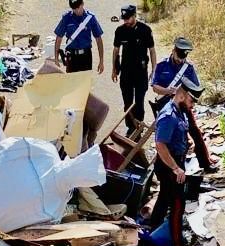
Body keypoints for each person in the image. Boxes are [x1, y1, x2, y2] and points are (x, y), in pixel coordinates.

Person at [147, 77, 202, 246]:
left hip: (176, 161)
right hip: (169, 166)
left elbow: (179, 133)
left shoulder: (180, 111)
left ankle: (152, 234)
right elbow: (160, 145)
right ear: (182, 96)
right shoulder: (168, 116)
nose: (192, 105)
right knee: (178, 205)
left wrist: (187, 143)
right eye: (191, 100)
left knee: (164, 198)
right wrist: (176, 168)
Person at [150, 36, 215, 170]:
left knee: (194, 131)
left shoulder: (188, 68)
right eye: (179, 57)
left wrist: (183, 94)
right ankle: (168, 166)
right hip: (165, 103)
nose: (180, 60)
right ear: (173, 51)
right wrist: (168, 91)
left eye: (183, 58)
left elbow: (195, 87)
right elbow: (155, 87)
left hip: (182, 104)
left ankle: (205, 162)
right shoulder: (161, 65)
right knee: (167, 136)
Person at [111, 5, 155, 133]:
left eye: (128, 18)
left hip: (141, 72)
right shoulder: (120, 31)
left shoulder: (145, 30)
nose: (125, 21)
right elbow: (116, 50)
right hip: (126, 72)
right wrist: (114, 69)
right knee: (127, 102)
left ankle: (139, 126)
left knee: (139, 101)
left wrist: (154, 70)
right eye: (124, 19)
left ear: (134, 16)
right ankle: (130, 127)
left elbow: (152, 50)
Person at [53, 0, 104, 74]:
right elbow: (59, 38)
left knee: (85, 79)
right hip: (71, 56)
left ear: (82, 4)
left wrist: (101, 61)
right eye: (74, 8)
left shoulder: (90, 18)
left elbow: (98, 39)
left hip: (86, 56)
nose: (76, 10)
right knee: (71, 80)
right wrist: (56, 58)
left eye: (78, 7)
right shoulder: (66, 18)